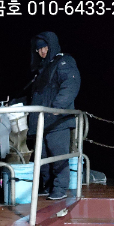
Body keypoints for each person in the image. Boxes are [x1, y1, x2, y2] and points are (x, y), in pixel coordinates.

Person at [27, 31, 81, 200]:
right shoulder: (42, 69)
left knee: (59, 157)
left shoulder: (64, 61)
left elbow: (71, 83)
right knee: (42, 157)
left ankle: (60, 189)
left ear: (52, 46)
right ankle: (47, 186)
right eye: (38, 49)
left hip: (57, 121)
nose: (42, 51)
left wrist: (58, 107)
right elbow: (36, 94)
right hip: (42, 122)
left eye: (44, 47)